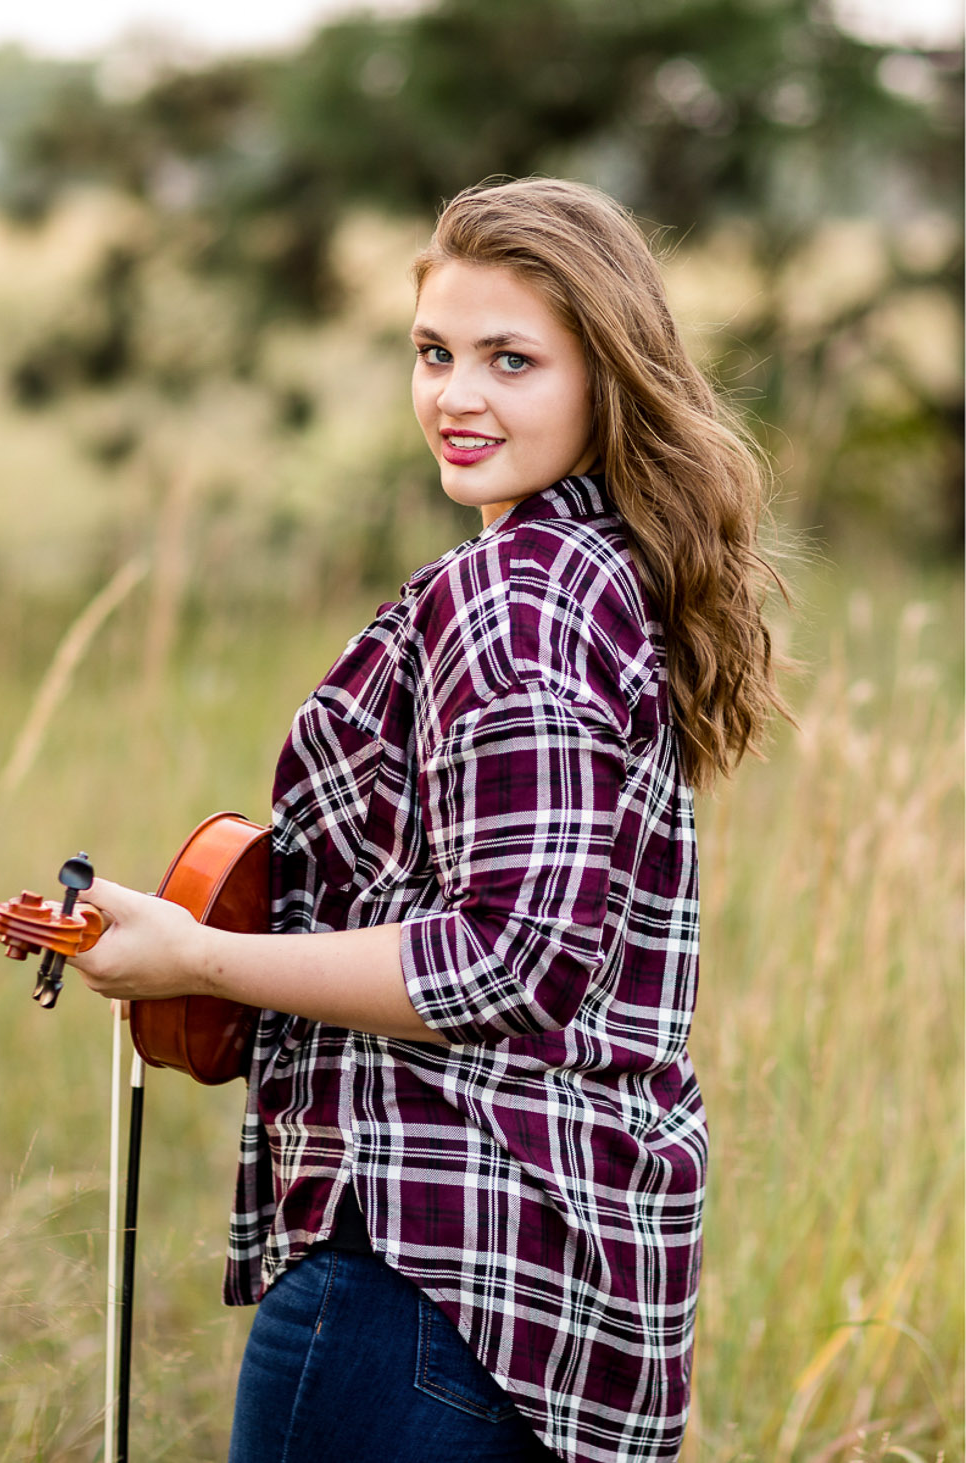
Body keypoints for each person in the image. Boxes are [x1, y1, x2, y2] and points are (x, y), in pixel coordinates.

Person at [66, 177, 787, 1463]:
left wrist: (196, 958)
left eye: (511, 359)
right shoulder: (600, 573)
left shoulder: (516, 601)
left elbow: (507, 959)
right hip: (547, 1274)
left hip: (421, 1268)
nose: (456, 397)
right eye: (434, 352)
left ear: (603, 379)